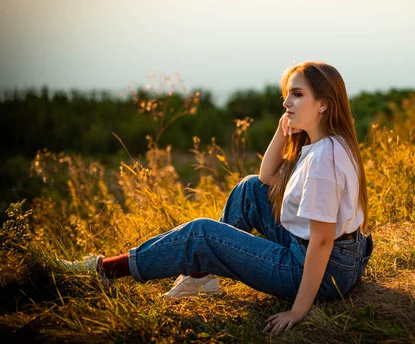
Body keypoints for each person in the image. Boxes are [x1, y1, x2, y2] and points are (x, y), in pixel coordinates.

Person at [60, 61, 373, 335]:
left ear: (323, 104)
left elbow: (321, 243)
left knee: (202, 233)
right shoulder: (329, 142)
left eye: (298, 95)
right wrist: (282, 131)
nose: (287, 103)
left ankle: (105, 270)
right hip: (342, 257)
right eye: (287, 95)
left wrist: (298, 310)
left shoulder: (322, 162)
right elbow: (265, 177)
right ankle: (202, 275)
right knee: (250, 189)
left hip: (321, 271)